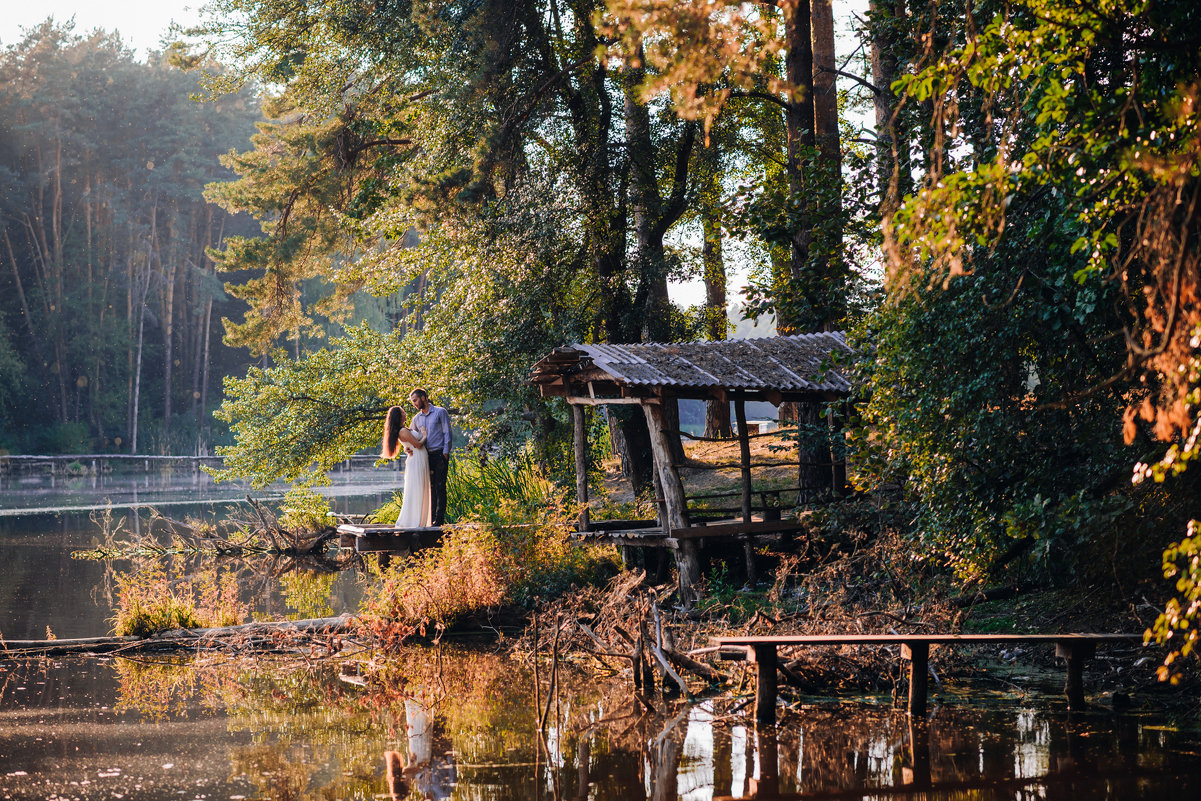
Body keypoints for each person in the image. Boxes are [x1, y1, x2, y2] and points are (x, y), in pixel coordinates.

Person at [381, 405, 431, 527]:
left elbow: (410, 444)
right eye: (403, 412)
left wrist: (406, 448)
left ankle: (421, 520)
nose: (405, 413)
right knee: (417, 489)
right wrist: (424, 434)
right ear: (399, 416)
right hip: (417, 460)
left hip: (419, 458)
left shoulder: (404, 429)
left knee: (420, 488)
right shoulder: (402, 431)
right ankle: (413, 521)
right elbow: (418, 445)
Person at [408, 388, 452, 526]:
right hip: (425, 457)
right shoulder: (416, 418)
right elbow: (410, 437)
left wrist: (445, 453)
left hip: (439, 455)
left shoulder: (440, 412)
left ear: (423, 398)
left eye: (415, 400)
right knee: (429, 489)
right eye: (412, 402)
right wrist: (407, 449)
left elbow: (447, 434)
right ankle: (430, 520)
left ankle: (439, 521)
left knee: (440, 488)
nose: (414, 404)